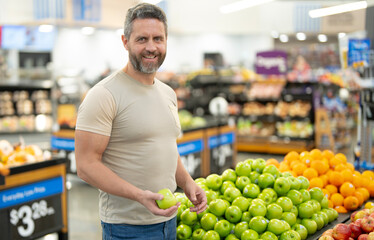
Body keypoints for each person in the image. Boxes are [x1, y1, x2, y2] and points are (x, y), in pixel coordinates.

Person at [74, 3, 207, 240]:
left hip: (170, 220)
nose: (151, 47)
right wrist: (138, 195)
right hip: (127, 227)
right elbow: (85, 166)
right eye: (142, 39)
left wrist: (187, 182)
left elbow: (165, 146)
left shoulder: (168, 93)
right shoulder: (104, 94)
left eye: (158, 38)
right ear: (125, 42)